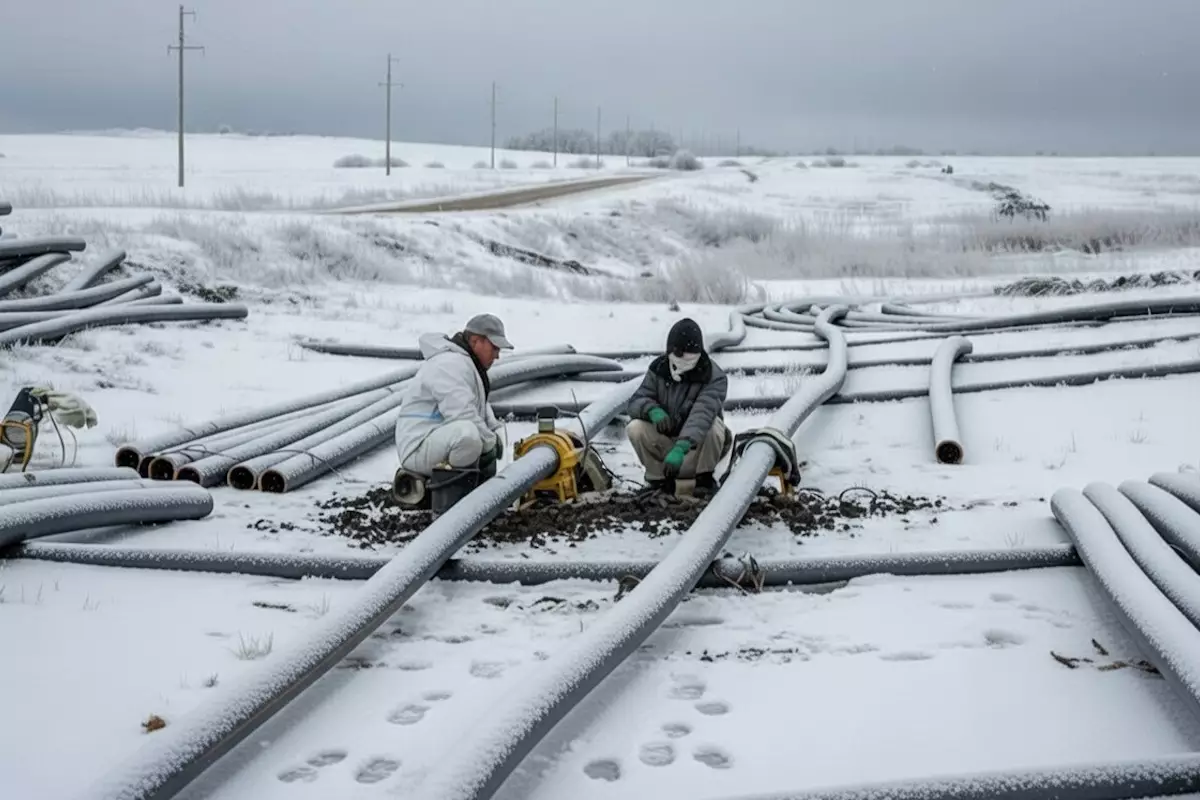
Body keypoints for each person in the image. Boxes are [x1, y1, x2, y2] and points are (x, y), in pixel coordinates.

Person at [394, 313, 513, 482]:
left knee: (474, 435)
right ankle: (453, 490)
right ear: (475, 341)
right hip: (417, 446)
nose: (497, 355)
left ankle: (467, 485)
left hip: (436, 440)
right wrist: (489, 443)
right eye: (494, 348)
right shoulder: (449, 364)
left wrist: (494, 432)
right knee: (468, 436)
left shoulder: (469, 366)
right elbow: (462, 412)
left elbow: (480, 408)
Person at [626, 317, 731, 496]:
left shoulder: (714, 376)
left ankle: (703, 479)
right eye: (680, 355)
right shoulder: (658, 369)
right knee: (635, 427)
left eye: (690, 356)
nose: (684, 360)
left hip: (695, 450)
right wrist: (651, 410)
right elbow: (636, 400)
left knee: (714, 426)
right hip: (667, 450)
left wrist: (682, 446)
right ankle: (658, 480)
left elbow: (702, 414)